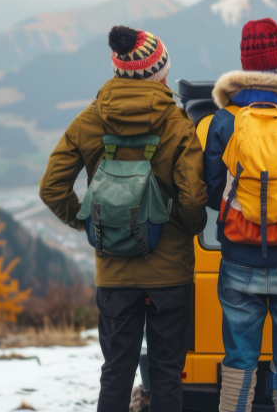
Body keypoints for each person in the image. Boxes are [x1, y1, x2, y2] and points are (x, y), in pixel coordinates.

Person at [39, 26, 208, 412]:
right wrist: (183, 227)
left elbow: (51, 186)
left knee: (116, 372)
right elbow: (194, 197)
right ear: (160, 72)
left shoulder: (90, 120)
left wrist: (89, 225)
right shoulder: (178, 124)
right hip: (170, 274)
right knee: (166, 374)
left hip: (115, 272)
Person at [203, 18, 277, 412]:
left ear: (245, 66)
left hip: (238, 260)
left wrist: (241, 210)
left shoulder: (224, 120)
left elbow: (210, 191)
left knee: (239, 361)